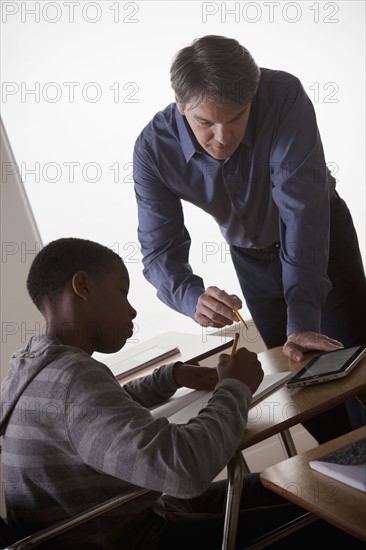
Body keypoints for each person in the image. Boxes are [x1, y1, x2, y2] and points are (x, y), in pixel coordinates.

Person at [1, 237, 360, 550]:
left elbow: (99, 413)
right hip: (144, 539)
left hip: (125, 521)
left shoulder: (34, 368)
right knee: (333, 511)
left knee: (287, 482)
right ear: (83, 286)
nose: (131, 309)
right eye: (122, 291)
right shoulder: (72, 382)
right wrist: (234, 387)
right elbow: (185, 470)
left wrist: (171, 376)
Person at [133, 34, 366, 443]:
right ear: (179, 100)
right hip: (250, 257)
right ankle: (339, 478)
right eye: (205, 122)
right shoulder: (152, 149)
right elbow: (159, 250)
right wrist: (192, 297)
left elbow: (302, 213)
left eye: (236, 117)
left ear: (253, 96)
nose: (222, 138)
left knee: (351, 369)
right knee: (298, 383)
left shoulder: (284, 96)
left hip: (320, 239)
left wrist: (303, 318)